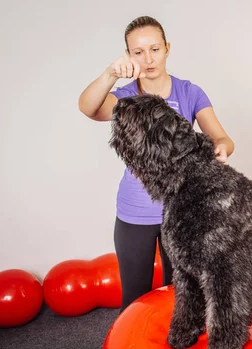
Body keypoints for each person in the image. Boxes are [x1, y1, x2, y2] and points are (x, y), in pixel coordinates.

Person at [78, 16, 234, 311]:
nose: (148, 59)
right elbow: (88, 108)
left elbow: (223, 139)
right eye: (138, 52)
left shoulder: (189, 92)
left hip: (180, 209)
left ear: (167, 48)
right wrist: (111, 74)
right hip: (134, 212)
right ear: (128, 55)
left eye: (154, 49)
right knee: (135, 299)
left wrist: (221, 150)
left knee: (181, 293)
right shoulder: (125, 97)